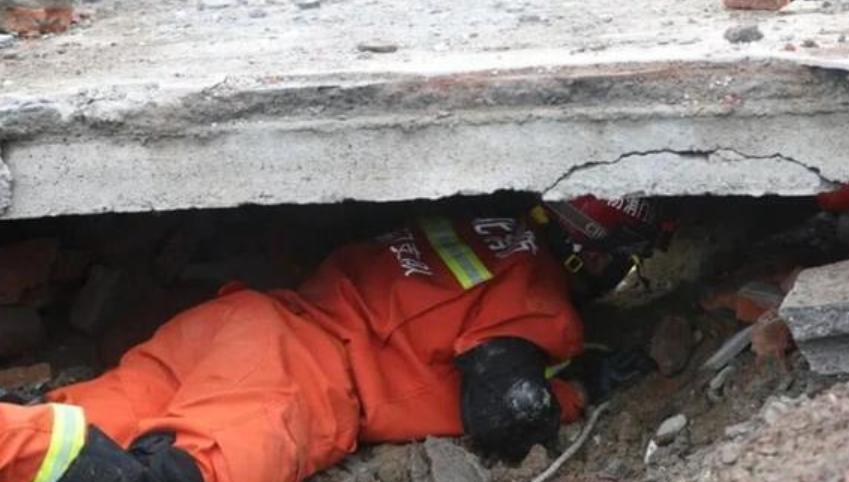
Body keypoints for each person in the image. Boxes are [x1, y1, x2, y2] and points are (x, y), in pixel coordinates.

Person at [0, 196, 670, 482]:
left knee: (67, 435)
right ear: (597, 253)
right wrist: (576, 391)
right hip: (299, 367)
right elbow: (503, 415)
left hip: (233, 324)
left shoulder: (476, 225)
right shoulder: (537, 293)